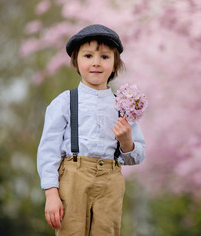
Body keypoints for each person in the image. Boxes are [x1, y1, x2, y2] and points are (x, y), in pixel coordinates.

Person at [37, 24, 146, 235]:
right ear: (76, 62)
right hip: (73, 179)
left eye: (105, 57)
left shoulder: (122, 106)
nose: (96, 63)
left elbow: (138, 155)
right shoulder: (64, 102)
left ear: (115, 65)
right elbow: (48, 150)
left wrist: (126, 142)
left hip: (110, 181)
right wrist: (51, 193)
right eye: (88, 56)